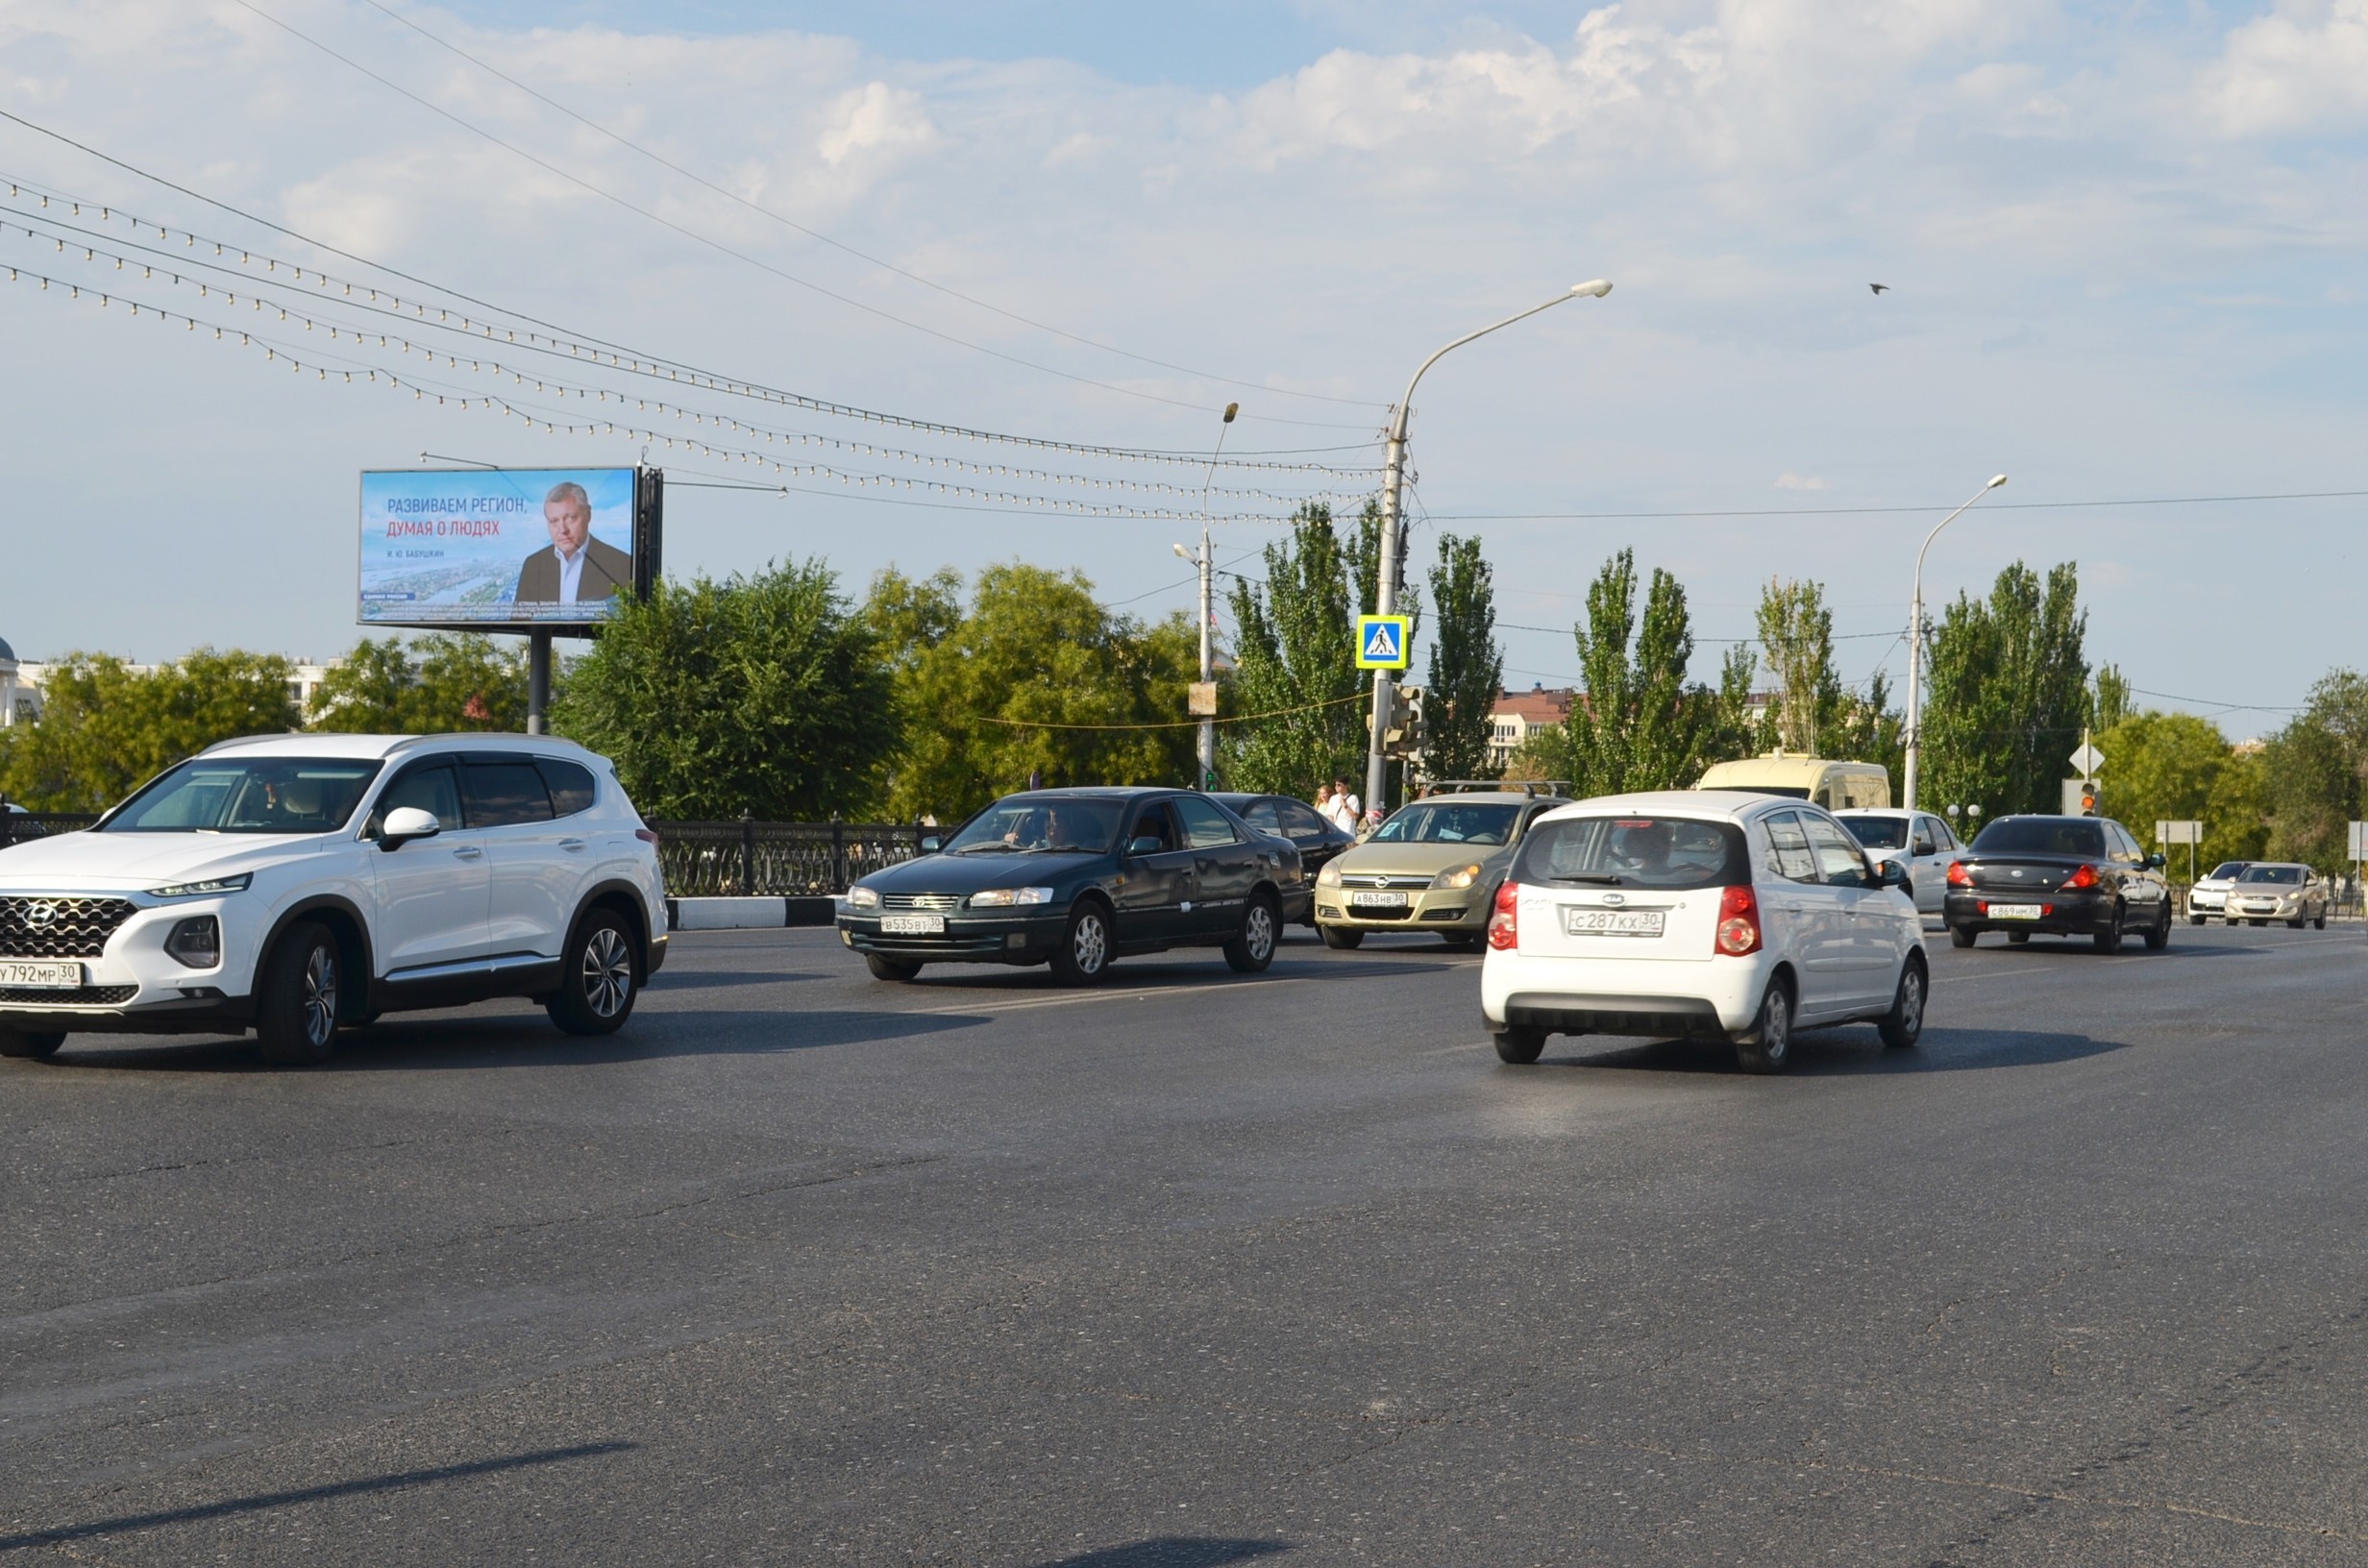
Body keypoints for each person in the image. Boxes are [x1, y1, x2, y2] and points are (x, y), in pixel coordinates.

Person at [513, 480, 631, 606]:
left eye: (571, 518)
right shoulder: (534, 565)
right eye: (554, 521)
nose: (563, 529)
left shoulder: (621, 564)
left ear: (588, 514)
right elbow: (519, 621)